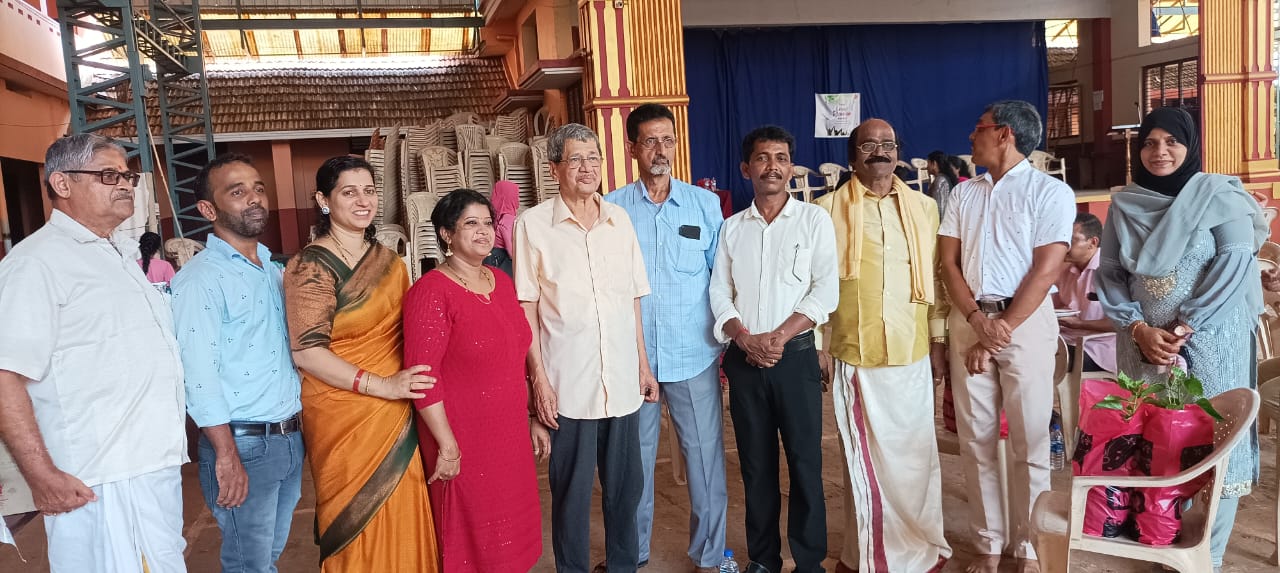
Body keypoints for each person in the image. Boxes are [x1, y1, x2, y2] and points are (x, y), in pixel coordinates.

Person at [0, 134, 188, 572]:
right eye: (108, 175)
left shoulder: (117, 253)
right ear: (62, 184)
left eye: (127, 176)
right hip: (97, 477)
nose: (124, 184)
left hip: (149, 464)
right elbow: (6, 374)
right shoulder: (36, 263)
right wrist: (41, 475)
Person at [1096, 106, 1266, 573]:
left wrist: (1184, 326)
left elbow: (1235, 262)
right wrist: (1137, 328)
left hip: (1212, 342)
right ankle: (1163, 543)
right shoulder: (1125, 205)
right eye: (1150, 142)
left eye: (1172, 141)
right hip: (1143, 347)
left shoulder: (1219, 195)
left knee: (1215, 441)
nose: (1160, 151)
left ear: (1190, 146)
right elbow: (1110, 273)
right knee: (1159, 442)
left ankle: (1206, 558)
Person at [283, 155, 441, 572]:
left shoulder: (389, 262)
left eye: (369, 191)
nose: (363, 201)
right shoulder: (308, 266)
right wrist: (381, 385)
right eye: (349, 192)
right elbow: (306, 352)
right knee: (355, 517)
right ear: (323, 200)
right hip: (343, 412)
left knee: (403, 501)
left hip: (396, 409)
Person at [937, 100, 1075, 573]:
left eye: (978, 128)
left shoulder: (1049, 192)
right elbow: (948, 263)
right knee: (975, 440)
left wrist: (1001, 328)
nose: (970, 136)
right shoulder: (964, 194)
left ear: (1004, 134)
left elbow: (1046, 269)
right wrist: (979, 321)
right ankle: (988, 543)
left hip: (1026, 323)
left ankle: (1030, 546)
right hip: (970, 319)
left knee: (1030, 440)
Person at [514, 123, 659, 573]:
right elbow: (526, 308)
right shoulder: (533, 225)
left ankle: (623, 566)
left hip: (621, 383)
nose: (586, 168)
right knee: (571, 497)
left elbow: (632, 300)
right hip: (568, 386)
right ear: (554, 168)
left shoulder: (619, 221)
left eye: (593, 158)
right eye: (575, 159)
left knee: (626, 491)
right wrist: (539, 381)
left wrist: (643, 366)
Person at [816, 119, 952, 573]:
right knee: (863, 464)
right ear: (852, 156)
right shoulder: (826, 210)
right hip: (856, 354)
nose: (881, 151)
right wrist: (818, 344)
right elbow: (814, 284)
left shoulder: (924, 208)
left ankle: (919, 550)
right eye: (869, 145)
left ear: (898, 152)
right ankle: (866, 557)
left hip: (912, 353)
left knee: (915, 460)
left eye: (889, 144)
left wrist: (938, 339)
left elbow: (936, 280)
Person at [605, 103, 728, 573]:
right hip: (632, 360)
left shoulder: (704, 205)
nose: (661, 150)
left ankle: (710, 557)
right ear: (632, 148)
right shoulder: (612, 209)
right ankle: (631, 555)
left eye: (668, 140)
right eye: (651, 141)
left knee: (705, 462)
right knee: (632, 465)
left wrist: (727, 345)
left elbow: (721, 280)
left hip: (693, 354)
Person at [709, 125, 838, 573]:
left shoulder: (814, 221)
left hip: (795, 358)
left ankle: (809, 562)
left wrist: (778, 337)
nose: (772, 166)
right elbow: (719, 292)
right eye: (762, 158)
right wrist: (743, 337)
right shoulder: (731, 229)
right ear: (746, 169)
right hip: (745, 361)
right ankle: (762, 559)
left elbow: (825, 291)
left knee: (805, 463)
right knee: (756, 466)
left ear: (791, 167)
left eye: (781, 158)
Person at [171, 153, 305, 572]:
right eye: (237, 191)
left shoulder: (270, 268)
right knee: (249, 564)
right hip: (243, 444)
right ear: (208, 209)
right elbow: (198, 375)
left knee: (266, 558)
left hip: (288, 436)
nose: (254, 198)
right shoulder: (200, 279)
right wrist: (226, 455)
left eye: (258, 188)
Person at [403, 188, 542, 572]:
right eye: (470, 223)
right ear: (446, 234)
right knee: (471, 540)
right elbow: (423, 378)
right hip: (461, 438)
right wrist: (447, 445)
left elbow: (518, 354)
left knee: (511, 537)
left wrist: (533, 416)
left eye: (487, 223)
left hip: (508, 435)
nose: (483, 231)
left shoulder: (501, 281)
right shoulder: (430, 292)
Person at [1052, 212, 1116, 373]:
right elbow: (1055, 306)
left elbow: (1122, 323)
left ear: (1092, 243)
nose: (1064, 246)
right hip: (1066, 339)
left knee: (1041, 358)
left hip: (1099, 347)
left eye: (1071, 240)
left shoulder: (1111, 273)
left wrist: (1080, 324)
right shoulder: (1066, 271)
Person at [484, 179, 519, 277]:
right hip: (502, 261)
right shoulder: (508, 219)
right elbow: (512, 251)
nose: (518, 199)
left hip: (489, 258)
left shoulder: (493, 216)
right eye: (516, 195)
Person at [926, 150, 959, 216]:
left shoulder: (940, 180)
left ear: (934, 164)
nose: (927, 167)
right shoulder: (943, 178)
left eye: (928, 163)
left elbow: (939, 209)